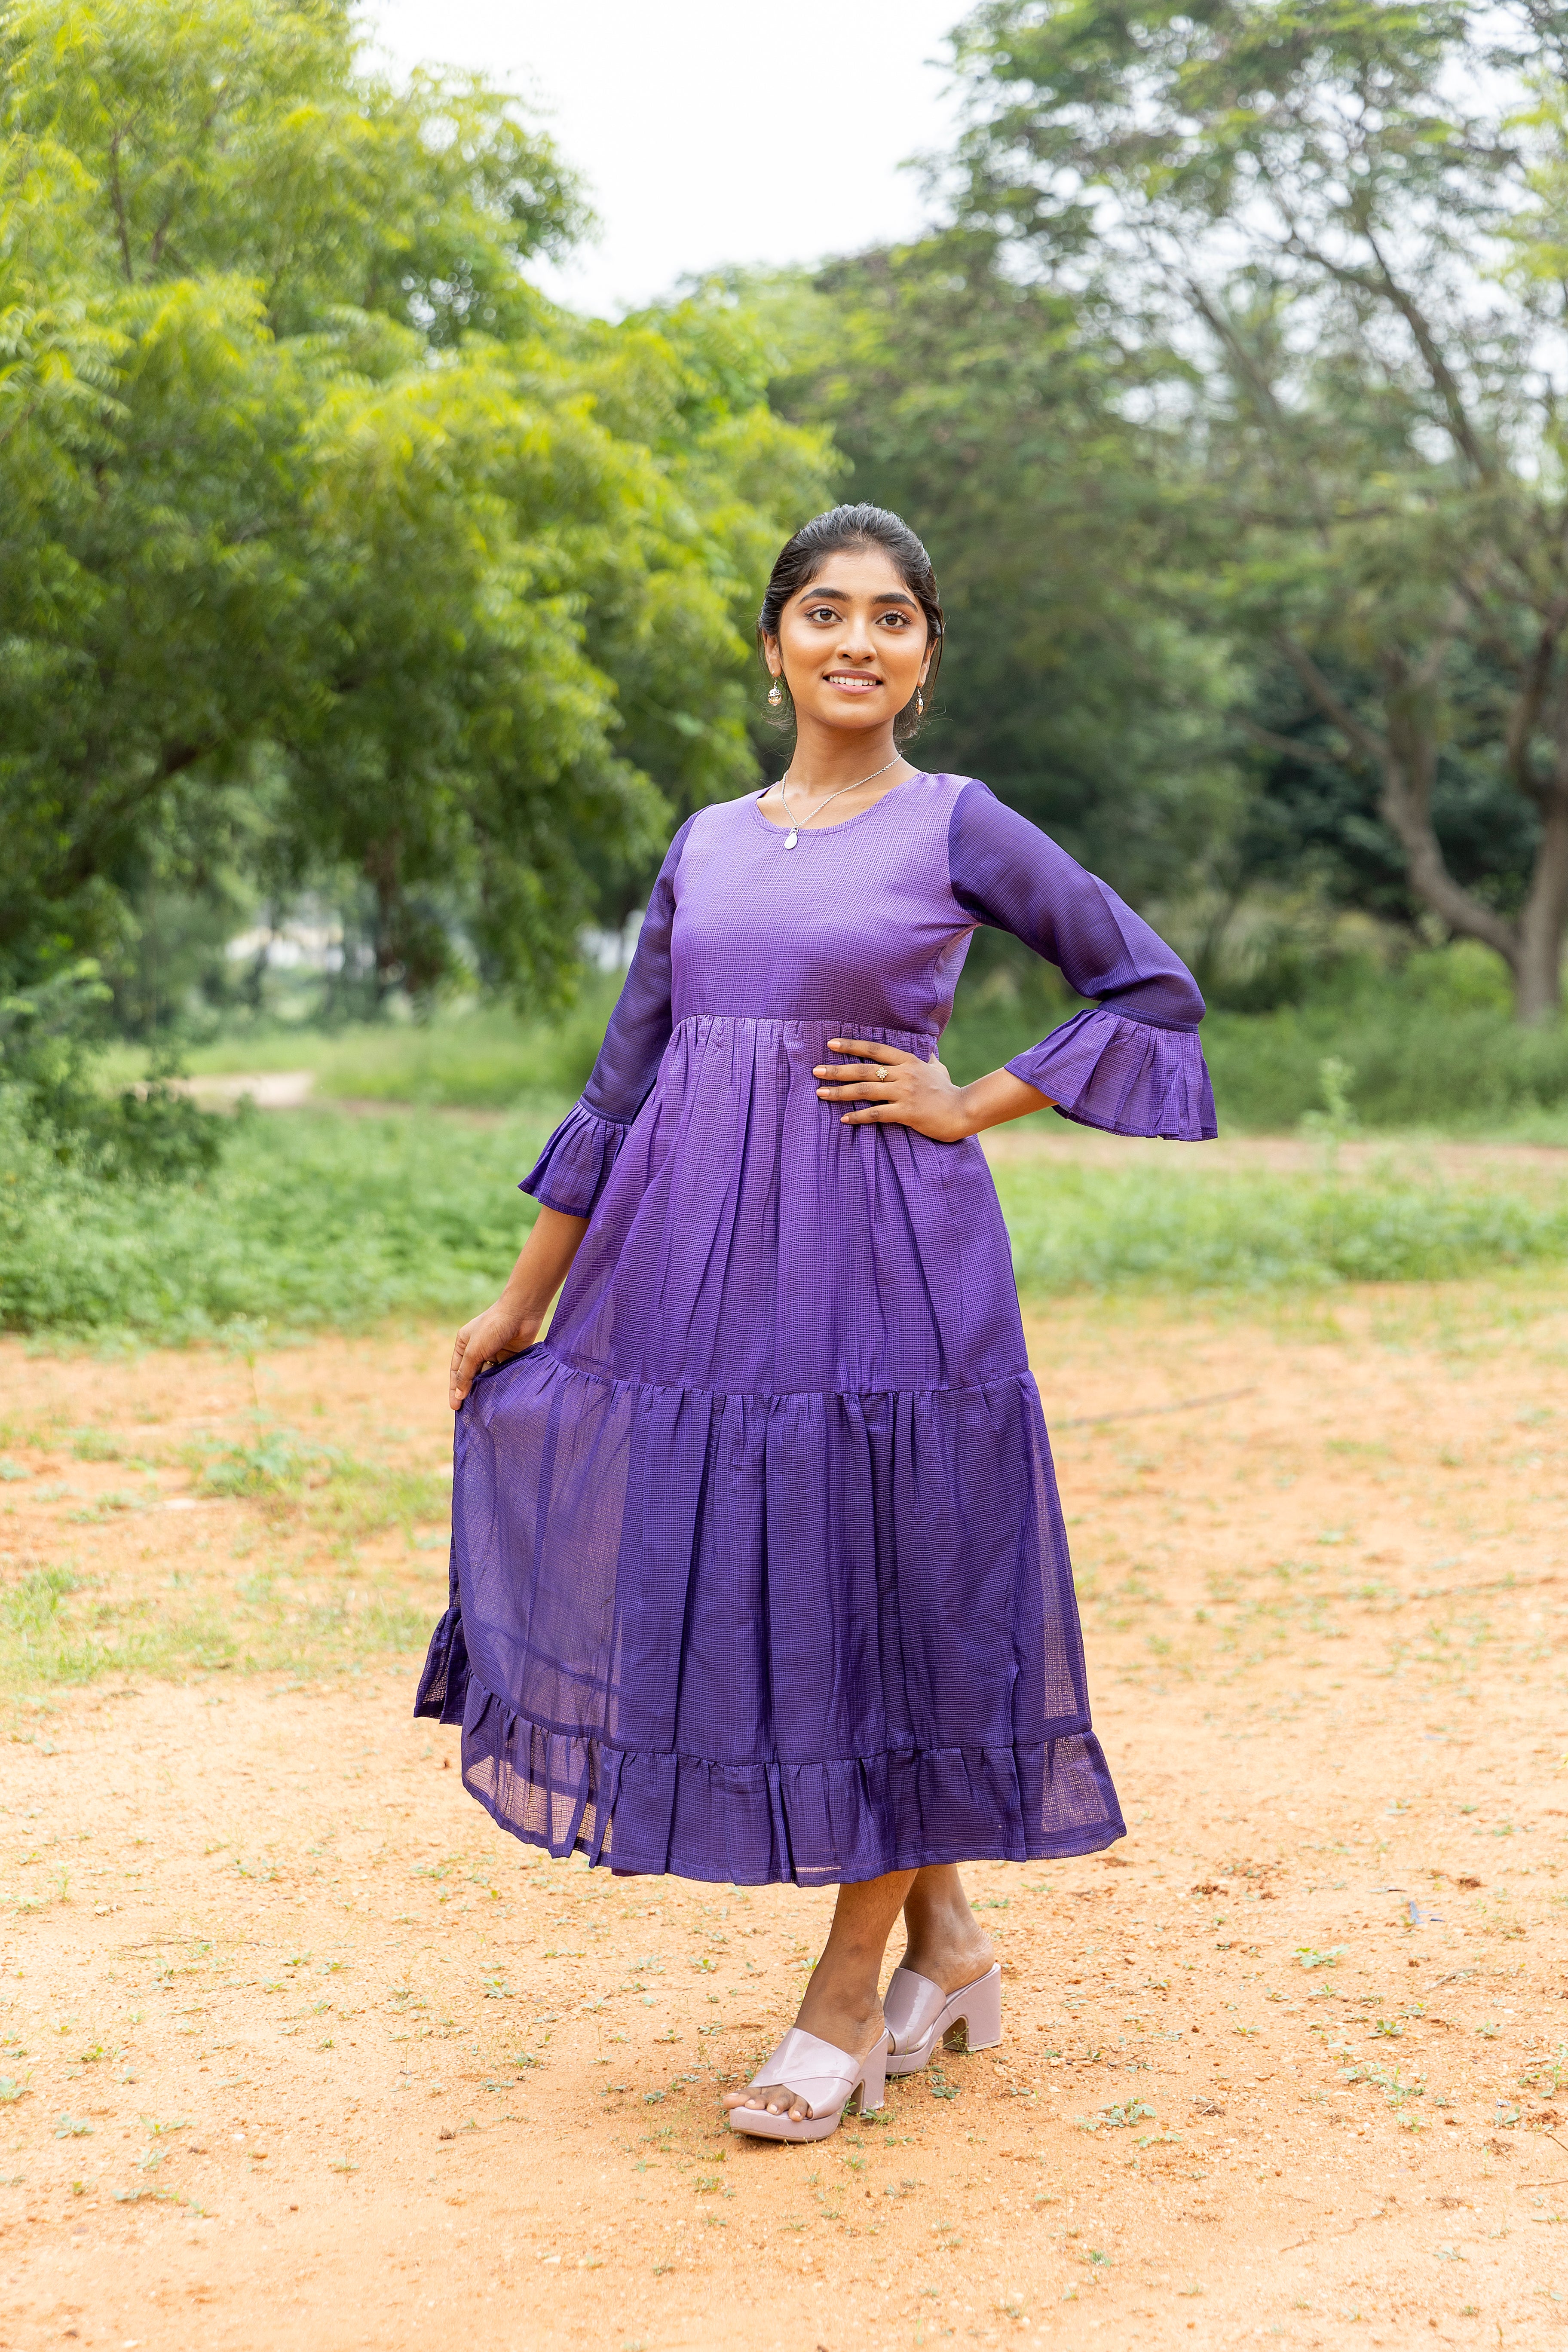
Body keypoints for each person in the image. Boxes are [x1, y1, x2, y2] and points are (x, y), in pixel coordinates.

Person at [416, 503, 1215, 2144]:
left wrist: (971, 1098)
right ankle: (948, 1942)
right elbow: (622, 1084)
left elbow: (1144, 985)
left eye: (896, 619)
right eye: (827, 612)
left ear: (926, 659)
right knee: (782, 1573)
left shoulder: (957, 826)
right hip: (696, 1275)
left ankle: (848, 1993)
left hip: (891, 1270)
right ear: (774, 641)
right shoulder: (705, 842)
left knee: (890, 1587)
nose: (860, 640)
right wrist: (521, 1302)